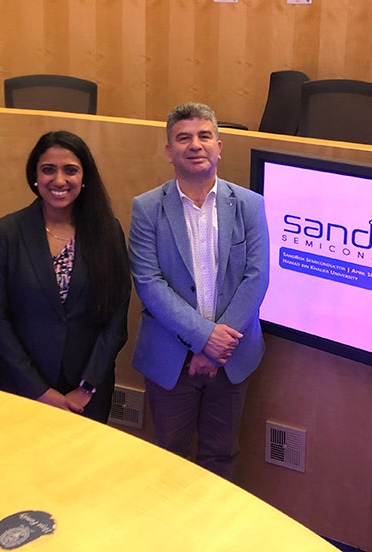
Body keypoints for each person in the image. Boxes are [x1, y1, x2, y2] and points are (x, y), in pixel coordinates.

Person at [128, 102, 269, 480]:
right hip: (170, 358)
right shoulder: (146, 208)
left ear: (219, 147)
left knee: (221, 455)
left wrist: (217, 348)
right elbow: (148, 282)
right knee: (169, 459)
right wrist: (204, 339)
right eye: (183, 138)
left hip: (232, 357)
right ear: (169, 150)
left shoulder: (250, 205)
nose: (195, 145)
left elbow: (257, 278)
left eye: (204, 136)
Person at [0, 131, 131, 423]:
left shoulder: (107, 231)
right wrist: (39, 391)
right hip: (19, 388)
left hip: (87, 394)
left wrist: (86, 387)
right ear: (34, 176)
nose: (59, 180)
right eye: (48, 169)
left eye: (70, 170)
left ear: (84, 177)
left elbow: (117, 316)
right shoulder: (5, 233)